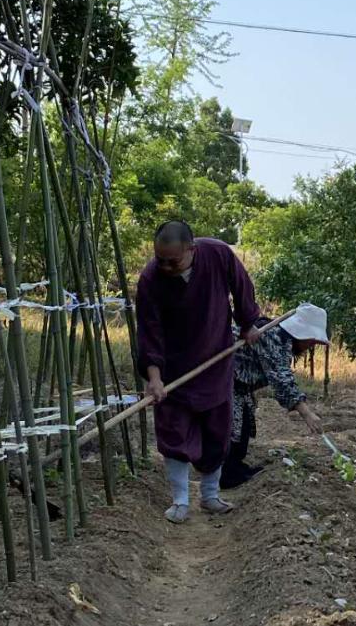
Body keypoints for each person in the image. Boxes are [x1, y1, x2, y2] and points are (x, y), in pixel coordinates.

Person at [136, 220, 261, 524]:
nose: (165, 266)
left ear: (192, 249)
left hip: (216, 358)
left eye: (173, 261)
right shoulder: (151, 279)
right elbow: (149, 332)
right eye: (160, 259)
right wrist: (154, 379)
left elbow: (241, 285)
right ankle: (180, 500)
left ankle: (210, 495)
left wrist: (248, 323)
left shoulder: (218, 254)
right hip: (173, 367)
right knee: (174, 430)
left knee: (216, 431)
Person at [222, 304, 327, 489]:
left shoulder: (281, 340)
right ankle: (227, 474)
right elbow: (281, 379)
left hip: (238, 385)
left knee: (244, 424)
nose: (311, 346)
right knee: (234, 427)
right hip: (224, 379)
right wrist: (307, 413)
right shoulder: (273, 337)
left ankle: (235, 467)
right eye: (311, 341)